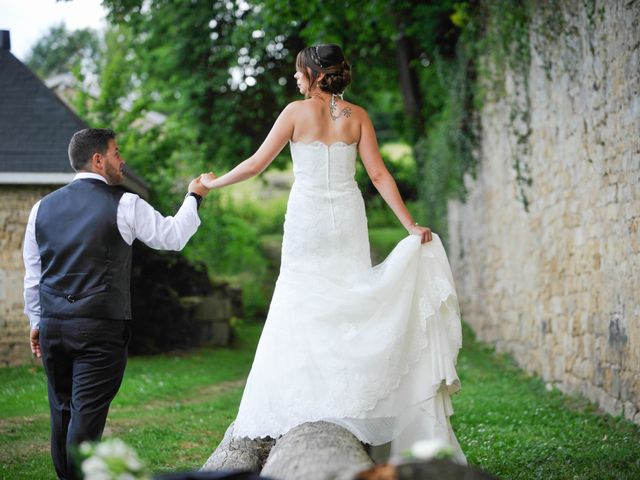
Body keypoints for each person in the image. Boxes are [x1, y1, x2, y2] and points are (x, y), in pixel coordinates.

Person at [200, 44, 465, 462]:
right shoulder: (356, 116)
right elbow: (378, 174)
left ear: (313, 74)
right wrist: (409, 225)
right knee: (350, 296)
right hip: (346, 215)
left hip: (307, 218)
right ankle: (350, 399)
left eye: (298, 72)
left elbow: (254, 165)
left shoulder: (293, 113)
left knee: (300, 298)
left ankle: (308, 400)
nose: (294, 78)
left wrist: (211, 185)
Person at [23, 128, 211, 480]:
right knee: (85, 422)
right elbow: (172, 236)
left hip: (53, 327)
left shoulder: (40, 209)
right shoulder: (124, 203)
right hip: (99, 330)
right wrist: (194, 196)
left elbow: (34, 274)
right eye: (116, 152)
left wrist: (36, 321)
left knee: (62, 413)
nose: (122, 160)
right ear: (98, 160)